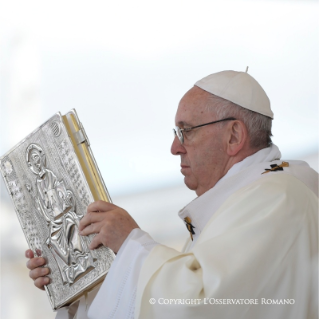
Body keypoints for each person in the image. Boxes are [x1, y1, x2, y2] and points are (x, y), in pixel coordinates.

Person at [26, 70, 318, 319]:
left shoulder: (277, 199)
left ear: (233, 137)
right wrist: (77, 285)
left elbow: (199, 305)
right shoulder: (238, 206)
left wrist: (131, 242)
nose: (175, 147)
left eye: (185, 131)